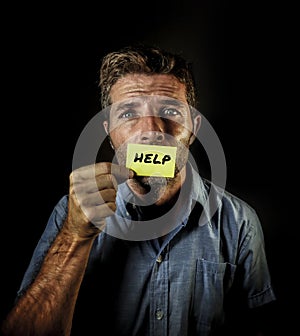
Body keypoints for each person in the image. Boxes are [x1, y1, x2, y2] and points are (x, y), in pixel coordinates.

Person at [1, 45, 276, 336]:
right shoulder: (70, 213)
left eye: (170, 111)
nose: (151, 129)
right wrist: (75, 237)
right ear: (109, 132)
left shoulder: (239, 221)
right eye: (129, 112)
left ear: (193, 128)